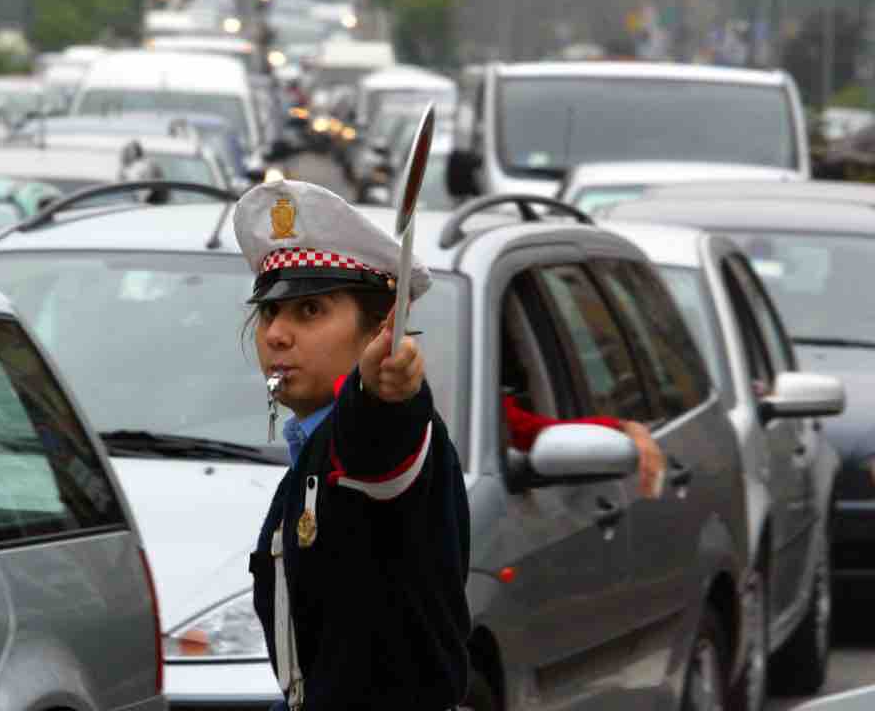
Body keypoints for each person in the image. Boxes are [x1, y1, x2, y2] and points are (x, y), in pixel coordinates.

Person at [236, 177, 665, 711]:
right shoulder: (313, 444)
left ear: (379, 334)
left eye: (310, 311)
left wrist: (384, 394)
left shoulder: (376, 436)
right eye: (271, 312)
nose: (277, 333)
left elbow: (379, 442)